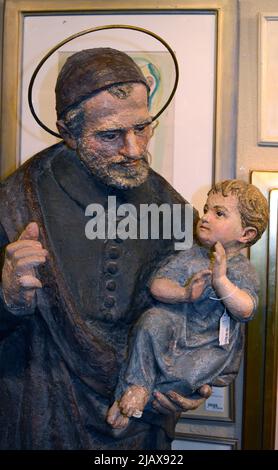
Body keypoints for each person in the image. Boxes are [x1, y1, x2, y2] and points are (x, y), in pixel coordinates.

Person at [0, 47, 213, 450]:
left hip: (138, 422)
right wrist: (7, 297)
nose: (134, 149)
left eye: (143, 128)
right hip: (41, 411)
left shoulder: (173, 210)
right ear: (69, 131)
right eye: (110, 135)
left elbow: (192, 319)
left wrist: (187, 376)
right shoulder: (15, 204)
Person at [106, 180, 268, 429]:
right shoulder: (192, 255)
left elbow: (246, 309)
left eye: (219, 213)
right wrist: (184, 294)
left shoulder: (242, 270)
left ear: (245, 234)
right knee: (152, 321)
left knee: (189, 374)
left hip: (208, 343)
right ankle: (137, 386)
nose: (205, 217)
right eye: (206, 209)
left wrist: (221, 281)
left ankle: (136, 401)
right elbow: (157, 285)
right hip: (176, 326)